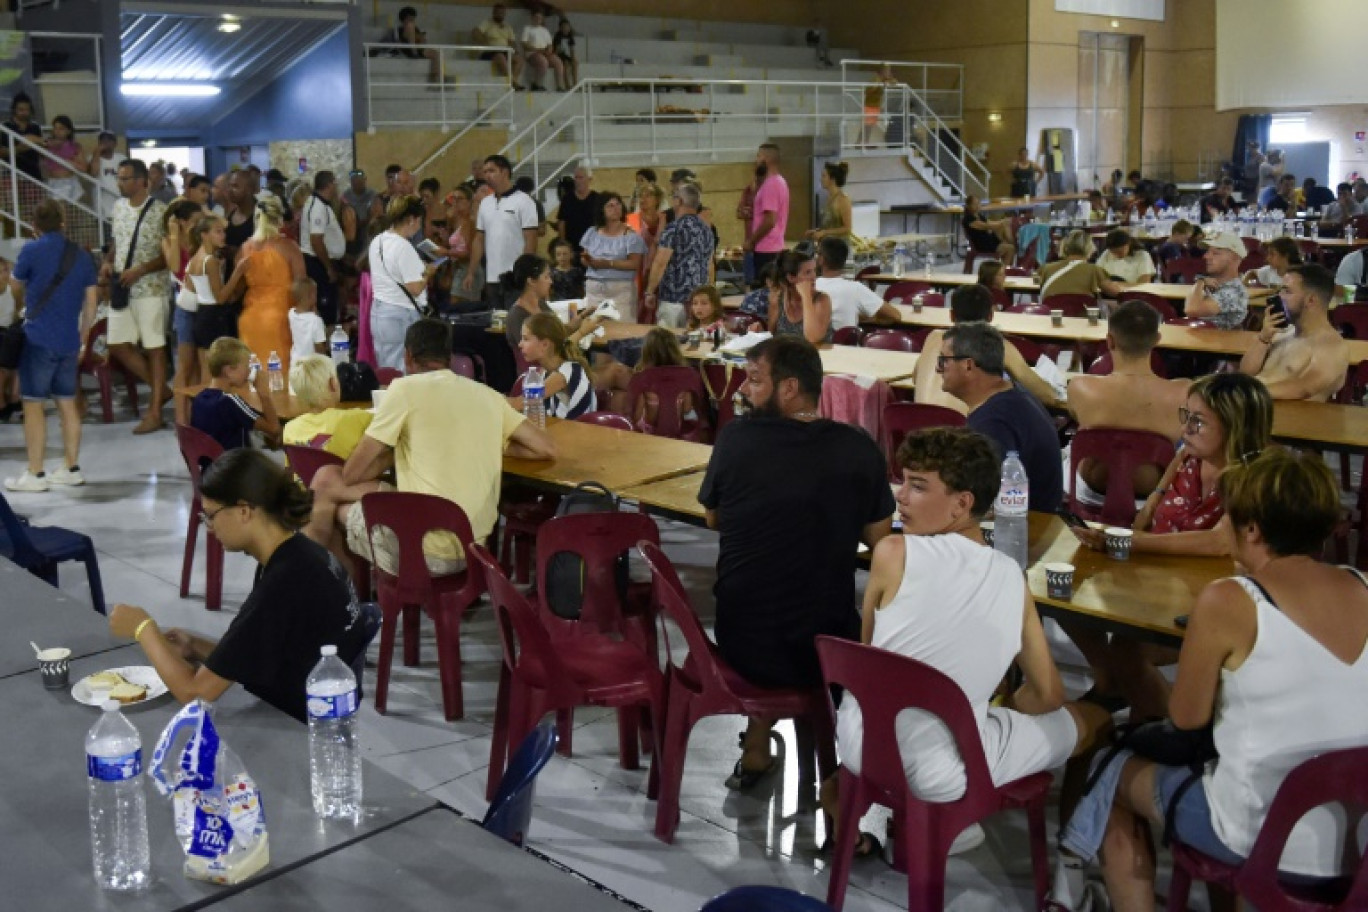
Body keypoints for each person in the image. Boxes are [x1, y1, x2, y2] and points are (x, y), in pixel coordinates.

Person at [1056, 449, 1368, 912]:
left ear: (1253, 529)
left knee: (1113, 771)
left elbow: (1185, 718)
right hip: (1357, 841)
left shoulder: (1231, 601)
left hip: (1261, 836)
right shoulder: (1362, 584)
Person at [824, 428, 1109, 856]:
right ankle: (1069, 864)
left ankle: (886, 814)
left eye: (918, 486)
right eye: (903, 480)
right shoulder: (1011, 577)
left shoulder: (891, 554)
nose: (900, 495)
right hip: (943, 772)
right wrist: (1005, 715)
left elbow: (871, 660)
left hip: (859, 744)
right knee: (1099, 720)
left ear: (963, 502)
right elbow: (1049, 694)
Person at [698, 335, 894, 788]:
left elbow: (714, 519)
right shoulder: (858, 447)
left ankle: (756, 744)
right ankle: (830, 765)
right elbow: (880, 540)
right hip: (823, 649)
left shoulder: (737, 439)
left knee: (768, 587)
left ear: (788, 388)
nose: (743, 391)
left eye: (753, 381)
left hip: (741, 641)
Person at [108, 448, 369, 722]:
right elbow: (254, 651)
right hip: (312, 699)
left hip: (296, 724)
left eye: (211, 515)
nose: (209, 527)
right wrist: (194, 646)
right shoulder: (303, 554)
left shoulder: (283, 583)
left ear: (244, 511)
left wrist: (142, 628)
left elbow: (194, 694)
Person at [306, 318, 556, 573]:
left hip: (424, 551)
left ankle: (328, 583)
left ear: (408, 356)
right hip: (475, 549)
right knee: (328, 481)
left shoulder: (403, 390)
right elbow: (544, 448)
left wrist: (394, 447)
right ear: (449, 357)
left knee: (333, 498)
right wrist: (491, 442)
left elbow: (351, 474)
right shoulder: (488, 395)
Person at [1070, 373, 1272, 567]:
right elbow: (1176, 464)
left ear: (1234, 428)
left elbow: (1218, 542)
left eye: (1198, 422)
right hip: (1151, 566)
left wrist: (1124, 543)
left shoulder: (1254, 480)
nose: (1185, 429)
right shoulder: (1190, 456)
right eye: (1187, 416)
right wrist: (1152, 502)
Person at [2, 200, 97, 493]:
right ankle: (70, 467)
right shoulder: (81, 256)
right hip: (69, 340)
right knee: (67, 404)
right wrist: (83, 337)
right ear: (63, 222)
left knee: (33, 405)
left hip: (37, 338)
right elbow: (91, 302)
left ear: (34, 226)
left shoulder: (30, 250)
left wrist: (24, 306)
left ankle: (35, 472)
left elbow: (15, 285)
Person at [1066, 300, 1191, 504]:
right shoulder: (1184, 392)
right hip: (1153, 495)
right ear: (1157, 340)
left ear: (1109, 341)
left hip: (1093, 490)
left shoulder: (1079, 387)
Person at [938, 321, 1063, 511]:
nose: (938, 369)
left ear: (968, 365)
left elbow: (985, 502)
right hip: (1039, 522)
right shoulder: (1015, 395)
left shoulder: (992, 422)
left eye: (943, 361)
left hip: (1024, 530)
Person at [912, 285, 1063, 416]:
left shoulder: (933, 338)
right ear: (991, 316)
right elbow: (1046, 395)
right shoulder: (993, 345)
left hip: (918, 434)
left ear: (951, 315)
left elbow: (915, 378)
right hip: (962, 439)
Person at [106, 158, 170, 435]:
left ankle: (154, 412)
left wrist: (142, 269)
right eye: (119, 178)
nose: (120, 183)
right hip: (123, 287)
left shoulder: (160, 211)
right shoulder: (118, 208)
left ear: (142, 181)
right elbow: (117, 241)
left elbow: (169, 256)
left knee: (154, 347)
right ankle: (161, 389)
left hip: (151, 289)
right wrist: (109, 260)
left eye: (125, 178)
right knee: (117, 344)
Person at [219, 195, 305, 378]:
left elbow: (237, 290)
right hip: (281, 318)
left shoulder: (245, 248)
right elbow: (302, 286)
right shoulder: (289, 247)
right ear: (280, 218)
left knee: (253, 377)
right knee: (279, 377)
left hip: (250, 319)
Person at [1239, 263, 1347, 402]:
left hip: (1288, 419)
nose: (1279, 297)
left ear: (1311, 300)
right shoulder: (1282, 333)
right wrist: (1263, 338)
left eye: (1287, 291)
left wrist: (1244, 391)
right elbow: (1245, 373)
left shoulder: (1332, 347)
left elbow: (1304, 388)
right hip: (1256, 406)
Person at [369, 195, 433, 372]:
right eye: (419, 221)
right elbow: (414, 288)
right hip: (400, 314)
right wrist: (428, 273)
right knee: (402, 368)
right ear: (411, 219)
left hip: (379, 312)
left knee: (385, 367)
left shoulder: (378, 241)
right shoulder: (403, 247)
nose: (419, 226)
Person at [465, 155, 538, 305]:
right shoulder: (485, 203)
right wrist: (471, 272)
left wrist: (524, 273)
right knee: (496, 323)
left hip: (515, 277)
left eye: (491, 171)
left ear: (505, 172)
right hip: (492, 277)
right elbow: (479, 239)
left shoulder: (524, 201)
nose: (487, 175)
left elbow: (530, 239)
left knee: (516, 321)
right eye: (485, 172)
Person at [190, 337, 281, 452]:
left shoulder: (198, 399)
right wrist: (264, 393)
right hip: (236, 467)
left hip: (212, 467)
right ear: (229, 371)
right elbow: (274, 429)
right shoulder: (229, 401)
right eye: (246, 366)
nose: (249, 371)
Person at [644, 183, 715, 320]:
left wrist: (650, 291)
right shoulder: (707, 230)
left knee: (668, 339)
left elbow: (660, 262)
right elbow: (710, 265)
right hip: (697, 303)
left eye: (674, 197)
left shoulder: (673, 228)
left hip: (672, 301)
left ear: (680, 201)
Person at [282, 354, 373, 459]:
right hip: (343, 475)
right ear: (333, 383)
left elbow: (291, 469)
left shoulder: (289, 429)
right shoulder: (357, 418)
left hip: (306, 476)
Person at [510, 311, 596, 418]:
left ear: (545, 344)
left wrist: (487, 396)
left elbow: (519, 404)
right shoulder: (544, 372)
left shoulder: (566, 372)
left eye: (526, 339)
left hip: (578, 433)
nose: (520, 344)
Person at [184, 214, 237, 379]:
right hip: (214, 317)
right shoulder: (210, 261)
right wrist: (238, 272)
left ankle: (204, 403)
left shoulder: (194, 259)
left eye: (223, 232)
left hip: (201, 315)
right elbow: (220, 297)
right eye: (218, 232)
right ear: (204, 235)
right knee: (218, 372)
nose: (223, 236)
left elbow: (191, 287)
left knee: (205, 371)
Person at [579, 191, 645, 320]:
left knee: (623, 328)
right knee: (594, 328)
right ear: (602, 210)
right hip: (595, 289)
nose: (615, 209)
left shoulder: (631, 236)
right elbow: (583, 257)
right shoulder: (592, 232)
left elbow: (634, 263)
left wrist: (608, 263)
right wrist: (589, 261)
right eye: (610, 206)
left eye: (618, 204)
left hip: (620, 290)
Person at [814, 236, 898, 331]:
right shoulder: (855, 288)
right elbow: (895, 315)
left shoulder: (809, 287)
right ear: (845, 260)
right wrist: (870, 318)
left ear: (821, 260)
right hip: (846, 344)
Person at [631, 326, 698, 429]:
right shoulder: (685, 376)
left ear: (646, 351)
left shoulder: (642, 376)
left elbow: (637, 415)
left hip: (649, 431)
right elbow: (687, 409)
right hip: (676, 428)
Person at [302, 170, 345, 326]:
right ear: (330, 184)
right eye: (335, 183)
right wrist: (328, 267)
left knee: (330, 306)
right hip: (318, 264)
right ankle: (325, 343)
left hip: (320, 261)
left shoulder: (318, 204)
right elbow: (316, 240)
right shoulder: (317, 207)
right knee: (325, 308)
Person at [1183, 231, 1250, 329]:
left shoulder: (1234, 291)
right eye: (1208, 252)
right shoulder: (1213, 285)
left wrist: (1200, 283)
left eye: (1215, 253)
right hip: (1199, 341)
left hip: (1218, 343)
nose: (1206, 256)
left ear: (1235, 258)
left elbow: (1192, 310)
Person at [764, 249, 832, 345]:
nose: (814, 276)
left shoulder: (821, 299)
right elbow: (771, 335)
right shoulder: (778, 299)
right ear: (791, 277)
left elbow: (813, 338)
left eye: (814, 271)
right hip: (787, 356)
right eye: (808, 272)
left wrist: (806, 297)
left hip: (818, 356)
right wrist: (759, 331)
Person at [745, 144, 789, 282]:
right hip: (774, 247)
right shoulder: (779, 182)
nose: (756, 160)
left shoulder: (771, 184)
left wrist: (752, 241)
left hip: (767, 249)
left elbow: (770, 220)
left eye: (758, 156)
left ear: (766, 159)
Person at [1036, 230, 1122, 300]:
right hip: (1082, 315)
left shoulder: (1046, 268)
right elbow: (1115, 292)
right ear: (1090, 248)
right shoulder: (1094, 270)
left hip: (1052, 315)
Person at [474, 3, 524, 86]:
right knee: (500, 56)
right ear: (494, 13)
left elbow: (512, 42)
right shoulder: (487, 23)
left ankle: (514, 81)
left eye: (502, 13)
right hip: (490, 52)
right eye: (498, 12)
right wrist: (483, 41)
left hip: (505, 51)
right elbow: (476, 32)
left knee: (519, 59)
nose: (500, 15)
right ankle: (511, 81)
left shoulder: (508, 27)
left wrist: (516, 51)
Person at [554, 165, 601, 252]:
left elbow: (602, 223)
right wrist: (563, 244)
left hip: (592, 246)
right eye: (576, 178)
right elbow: (562, 222)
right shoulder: (567, 199)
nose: (578, 181)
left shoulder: (597, 198)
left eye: (581, 177)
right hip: (571, 246)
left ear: (589, 179)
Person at [42, 115, 87, 203]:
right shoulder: (47, 145)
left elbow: (84, 168)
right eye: (55, 128)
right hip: (52, 182)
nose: (57, 131)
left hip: (68, 183)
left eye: (61, 128)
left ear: (68, 131)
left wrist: (69, 162)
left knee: (64, 211)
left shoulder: (75, 146)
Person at [2, 93, 43, 184]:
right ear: (14, 110)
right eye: (21, 110)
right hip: (11, 176)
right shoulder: (5, 127)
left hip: (33, 175)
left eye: (27, 110)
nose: (24, 113)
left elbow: (42, 151)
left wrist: (40, 142)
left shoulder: (35, 127)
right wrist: (18, 149)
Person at [806, 161, 852, 241]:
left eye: (824, 176)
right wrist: (817, 231)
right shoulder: (829, 198)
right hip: (828, 246)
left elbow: (847, 228)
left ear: (832, 180)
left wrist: (825, 232)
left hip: (840, 248)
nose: (821, 179)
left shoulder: (843, 199)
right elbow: (830, 225)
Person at [962, 195, 1015, 263]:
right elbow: (986, 226)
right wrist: (1003, 222)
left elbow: (990, 222)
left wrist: (1003, 222)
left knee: (1005, 227)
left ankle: (1012, 247)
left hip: (989, 240)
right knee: (1011, 248)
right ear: (968, 206)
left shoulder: (979, 216)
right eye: (975, 204)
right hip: (982, 245)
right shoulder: (968, 219)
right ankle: (1004, 270)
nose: (978, 205)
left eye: (978, 203)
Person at [288, 277, 327, 367]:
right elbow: (319, 347)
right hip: (311, 366)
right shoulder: (316, 321)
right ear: (311, 296)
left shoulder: (291, 314)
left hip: (295, 363)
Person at [520, 10, 563, 91]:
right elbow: (524, 44)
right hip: (532, 53)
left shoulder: (544, 30)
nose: (538, 19)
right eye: (536, 17)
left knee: (558, 62)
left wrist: (549, 51)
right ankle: (536, 84)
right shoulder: (527, 28)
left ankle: (559, 86)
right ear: (532, 18)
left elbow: (550, 44)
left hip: (545, 52)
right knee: (543, 62)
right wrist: (538, 50)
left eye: (540, 18)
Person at [341, 168, 376, 265]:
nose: (357, 183)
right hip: (352, 237)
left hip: (368, 234)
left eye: (359, 181)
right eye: (354, 181)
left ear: (365, 180)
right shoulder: (345, 196)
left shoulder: (373, 195)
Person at [86, 131, 121, 217]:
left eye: (109, 140)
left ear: (115, 143)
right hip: (101, 207)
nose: (106, 143)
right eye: (103, 140)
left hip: (120, 205)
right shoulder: (92, 158)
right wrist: (97, 152)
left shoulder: (121, 158)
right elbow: (94, 173)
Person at [552, 17, 578, 87]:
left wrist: (573, 59)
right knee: (565, 64)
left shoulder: (570, 36)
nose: (566, 29)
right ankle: (567, 85)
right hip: (559, 55)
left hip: (566, 55)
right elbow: (556, 50)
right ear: (560, 28)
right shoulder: (557, 36)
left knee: (575, 63)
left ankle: (575, 84)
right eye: (564, 27)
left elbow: (572, 49)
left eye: (567, 27)